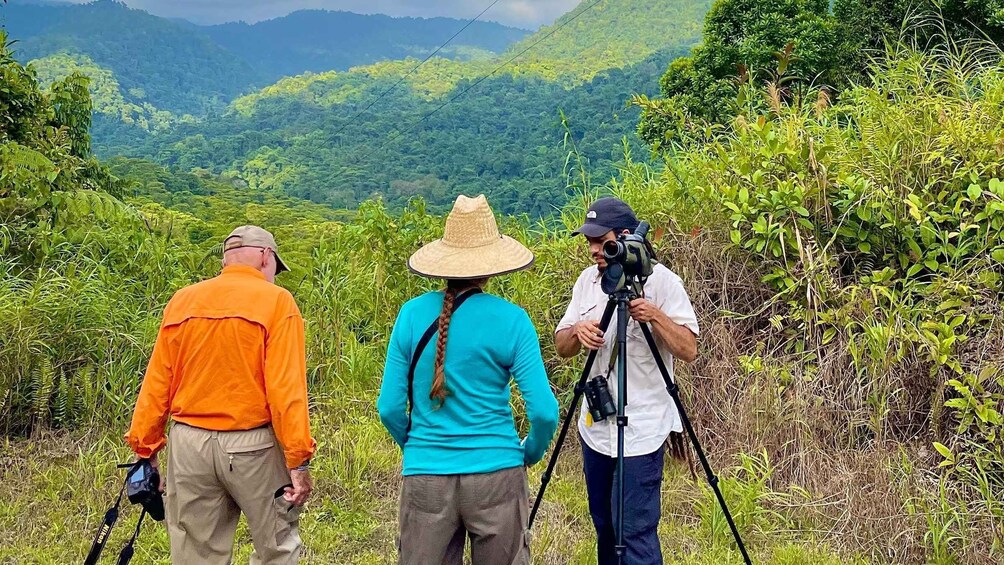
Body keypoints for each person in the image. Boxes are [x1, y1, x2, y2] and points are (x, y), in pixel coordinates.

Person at [378, 194, 559, 565]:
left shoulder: (411, 315)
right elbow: (543, 412)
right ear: (490, 266)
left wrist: (417, 446)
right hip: (497, 473)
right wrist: (528, 452)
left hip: (426, 476)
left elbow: (389, 408)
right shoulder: (512, 320)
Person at [125, 225, 316, 565]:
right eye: (275, 268)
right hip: (253, 446)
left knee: (195, 553)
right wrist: (298, 460)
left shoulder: (184, 300)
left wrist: (145, 446)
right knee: (276, 548)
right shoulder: (277, 301)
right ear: (265, 256)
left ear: (227, 259)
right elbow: (286, 392)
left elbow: (157, 381)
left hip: (188, 447)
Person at [554, 197, 700, 565]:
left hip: (643, 429)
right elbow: (561, 346)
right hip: (596, 427)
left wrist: (654, 316)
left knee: (634, 532)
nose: (592, 250)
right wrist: (577, 331)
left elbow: (689, 349)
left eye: (599, 241)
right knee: (604, 524)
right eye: (587, 241)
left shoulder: (664, 283)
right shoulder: (587, 283)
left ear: (622, 238)